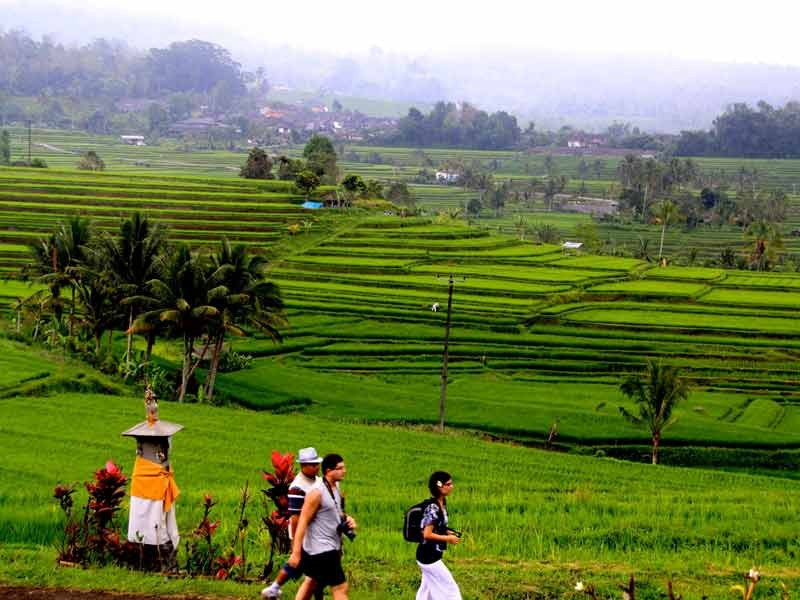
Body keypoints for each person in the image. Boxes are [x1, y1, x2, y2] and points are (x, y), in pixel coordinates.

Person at [288, 453, 356, 600]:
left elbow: (335, 513)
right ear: (328, 471)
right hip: (322, 548)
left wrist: (347, 519)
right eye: (340, 468)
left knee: (311, 582)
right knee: (340, 587)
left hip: (328, 545)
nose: (344, 471)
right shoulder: (316, 493)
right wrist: (296, 552)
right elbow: (301, 521)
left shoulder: (335, 488)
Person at [262, 447, 324, 599]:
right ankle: (274, 588)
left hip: (316, 533)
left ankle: (274, 588)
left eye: (317, 463)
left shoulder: (318, 481)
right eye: (312, 464)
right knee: (311, 572)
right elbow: (295, 517)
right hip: (305, 534)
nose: (316, 467)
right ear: (303, 466)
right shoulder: (297, 487)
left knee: (307, 570)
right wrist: (296, 543)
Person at [415, 471, 462, 600]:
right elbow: (427, 534)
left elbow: (437, 526)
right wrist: (449, 539)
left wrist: (447, 532)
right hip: (428, 556)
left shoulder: (442, 503)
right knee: (450, 589)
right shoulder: (433, 508)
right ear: (440, 486)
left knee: (426, 590)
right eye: (449, 484)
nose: (452, 486)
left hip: (431, 554)